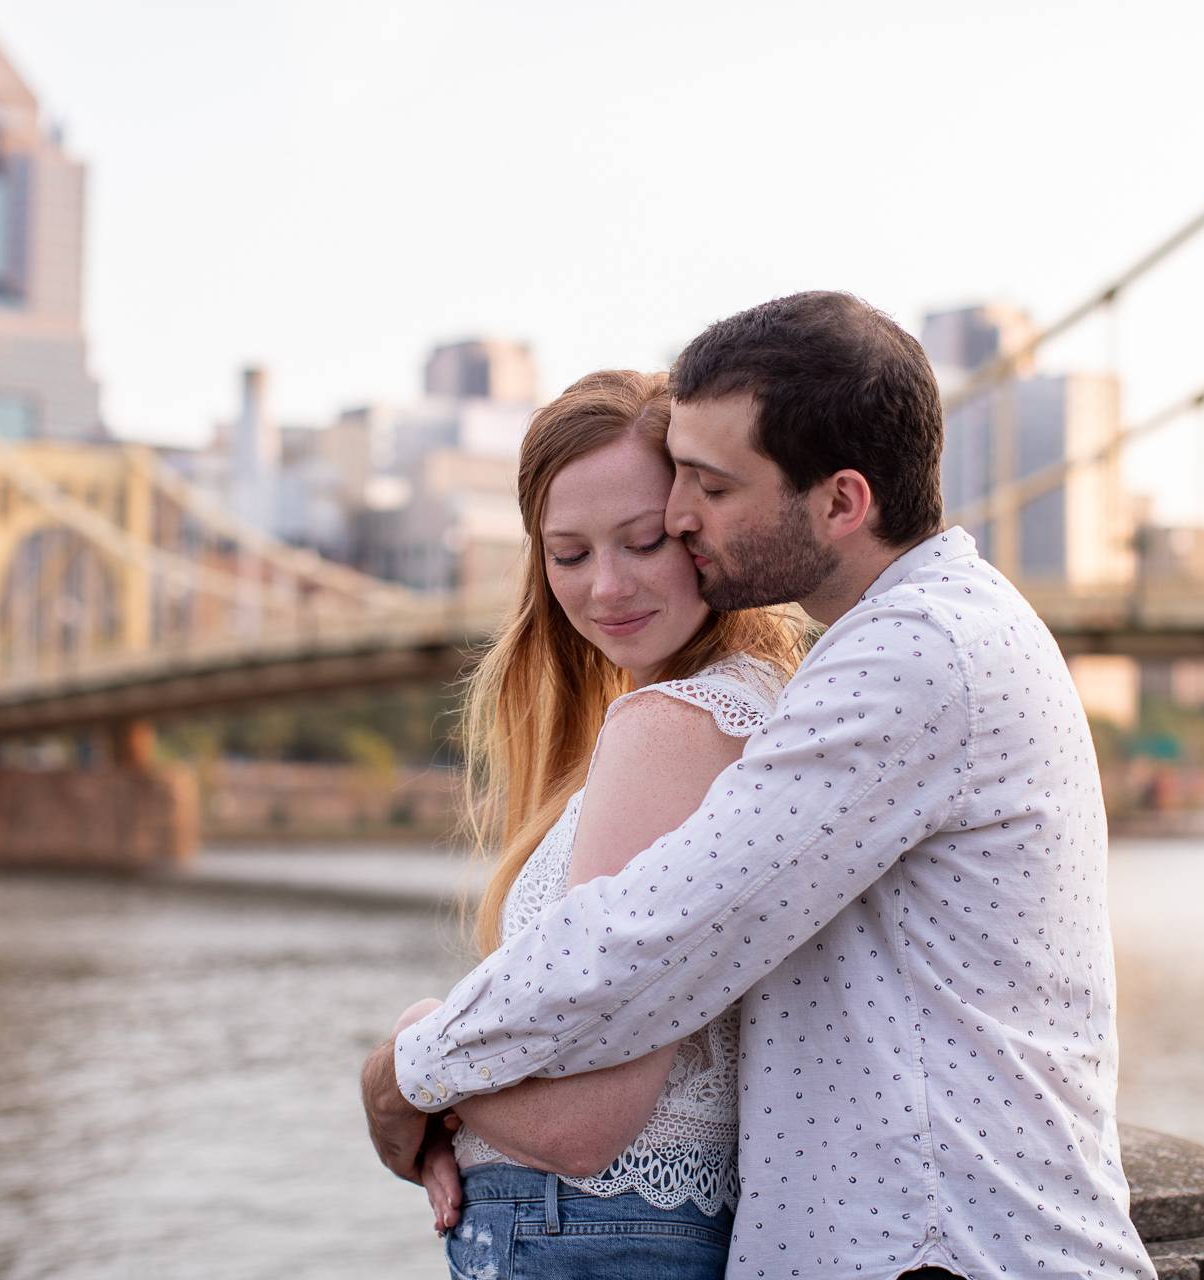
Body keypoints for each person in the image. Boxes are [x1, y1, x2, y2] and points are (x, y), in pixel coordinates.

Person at [364, 292, 1156, 1280]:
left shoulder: (915, 659)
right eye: (569, 552)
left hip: (942, 1255)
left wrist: (408, 1063)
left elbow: (647, 930)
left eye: (710, 487)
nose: (683, 514)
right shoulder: (885, 651)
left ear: (840, 502)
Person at [378, 368, 808, 1279]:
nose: (606, 588)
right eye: (568, 555)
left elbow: (584, 1127)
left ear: (703, 526)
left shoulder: (673, 725)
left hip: (581, 1229)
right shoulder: (755, 707)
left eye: (643, 541)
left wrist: (412, 1046)